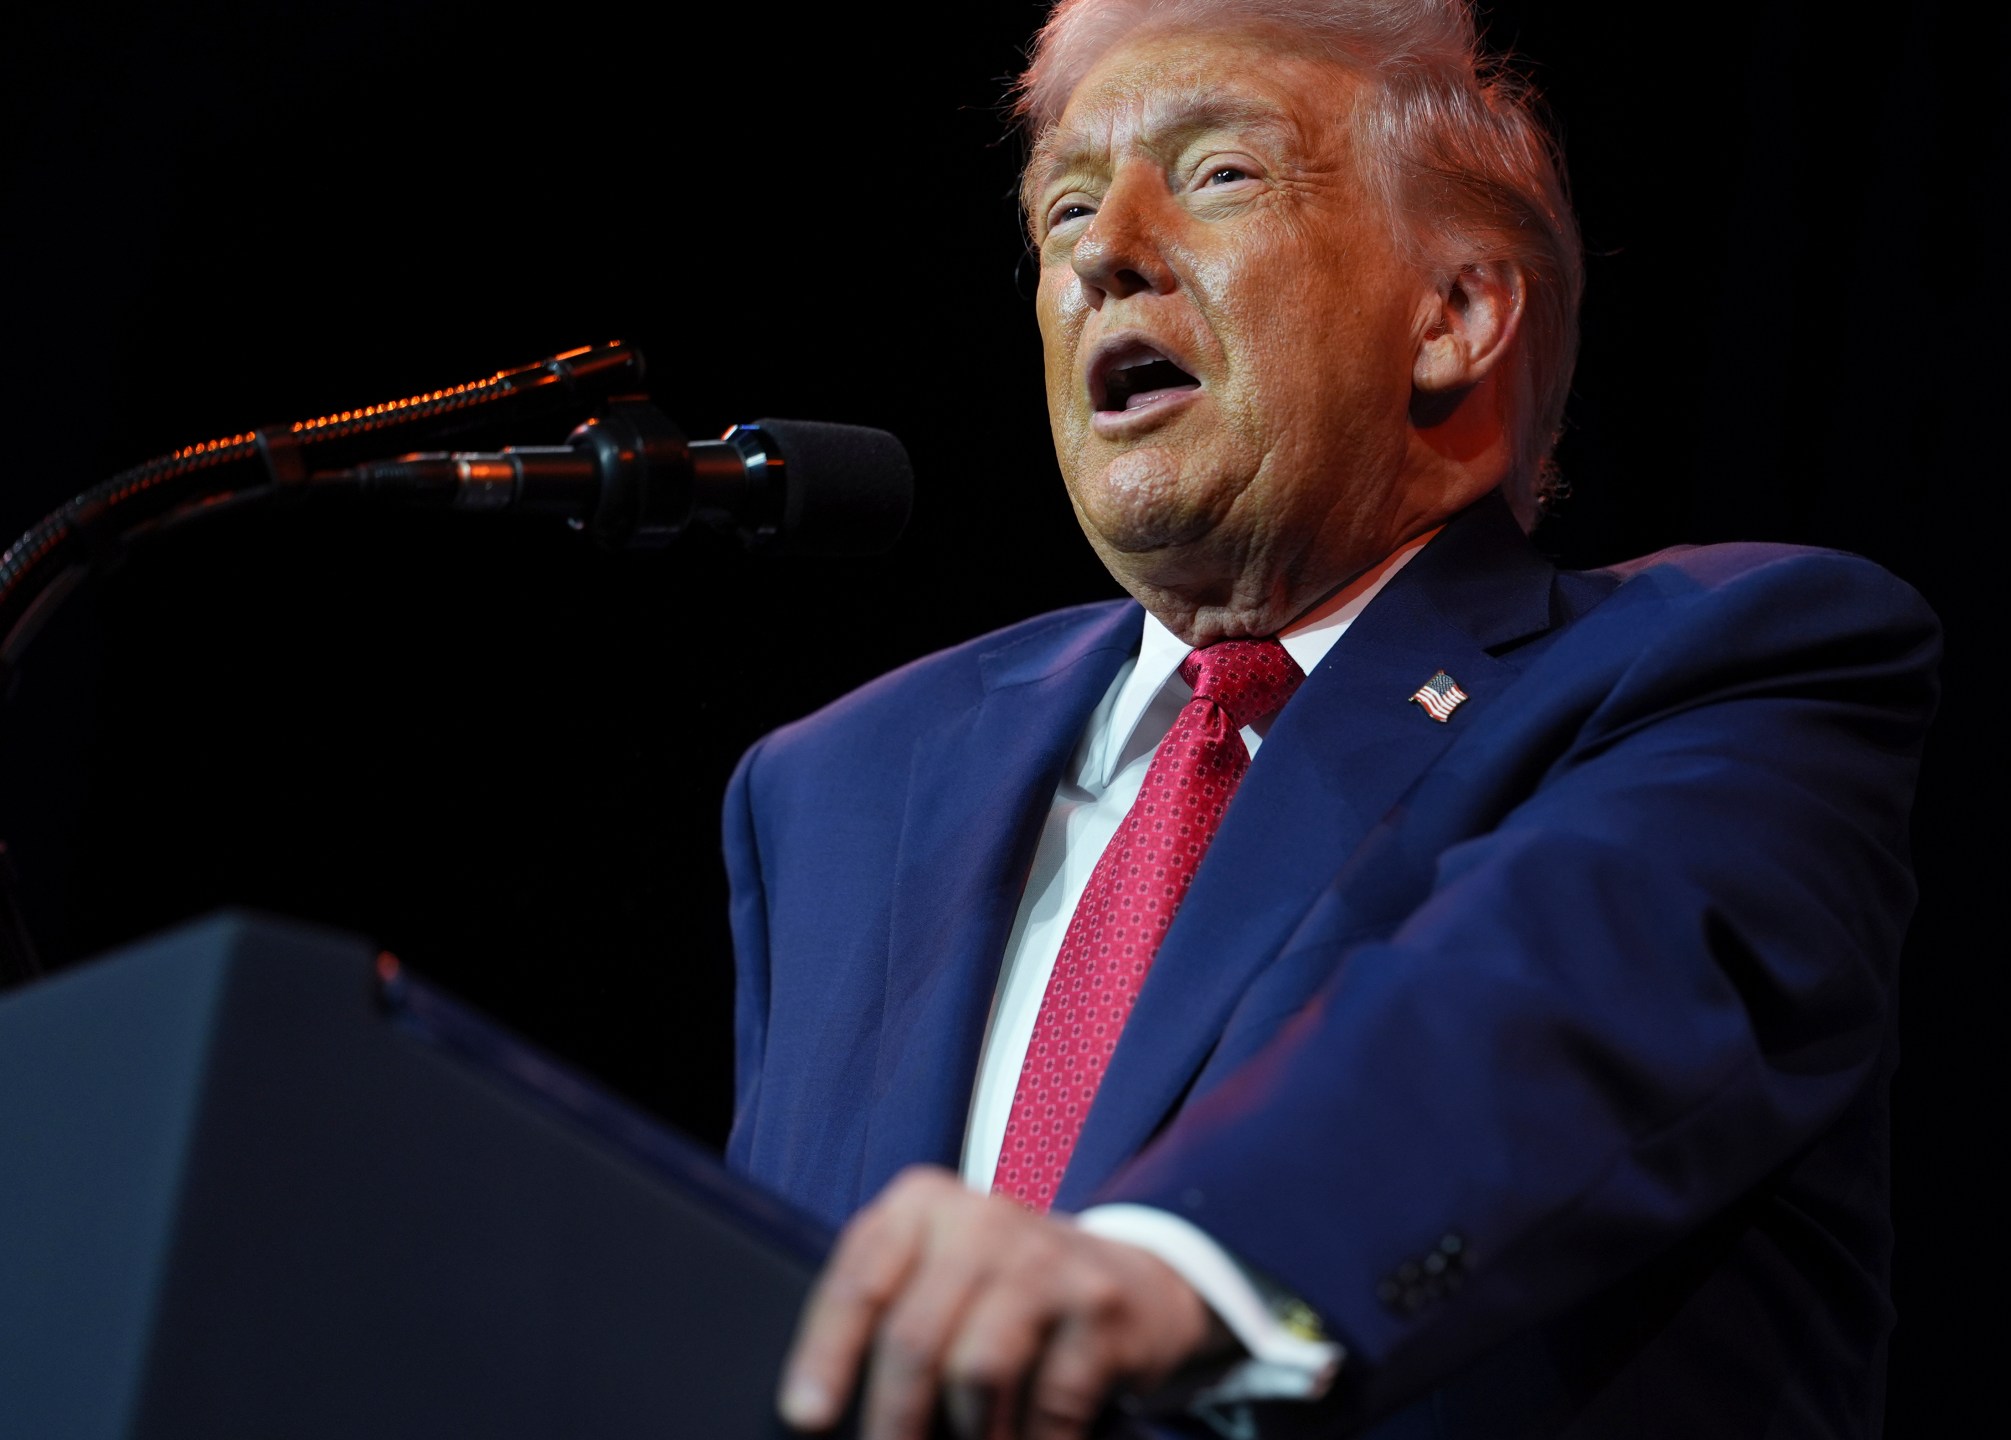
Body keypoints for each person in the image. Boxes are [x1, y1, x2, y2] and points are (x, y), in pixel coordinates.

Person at [721, 1, 1940, 1435]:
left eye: (1219, 173)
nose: (1105, 251)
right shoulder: (843, 784)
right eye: (1065, 209)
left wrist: (1176, 1267)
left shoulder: (1726, 667)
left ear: (1456, 315)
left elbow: (1531, 1009)